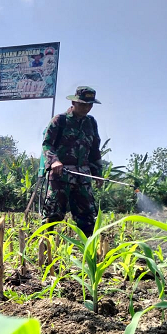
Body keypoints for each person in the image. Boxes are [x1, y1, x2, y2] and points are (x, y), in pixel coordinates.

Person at [42, 86, 104, 237]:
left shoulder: (91, 123)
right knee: (53, 213)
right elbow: (47, 144)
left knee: (88, 216)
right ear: (74, 103)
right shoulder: (60, 120)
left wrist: (97, 172)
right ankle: (45, 248)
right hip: (60, 174)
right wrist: (54, 161)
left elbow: (94, 149)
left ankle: (89, 248)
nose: (87, 108)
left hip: (82, 176)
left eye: (89, 105)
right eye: (83, 104)